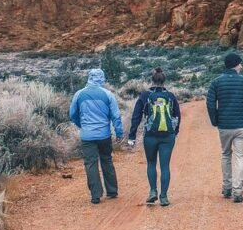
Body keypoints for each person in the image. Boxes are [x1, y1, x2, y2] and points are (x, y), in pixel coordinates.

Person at [206, 52, 243, 203]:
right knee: (240, 156)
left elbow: (210, 103)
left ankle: (227, 187)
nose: (241, 66)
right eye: (240, 63)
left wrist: (215, 120)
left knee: (226, 154)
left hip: (224, 126)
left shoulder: (216, 82)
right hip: (241, 125)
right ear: (235, 64)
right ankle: (238, 191)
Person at [69, 68, 124, 204]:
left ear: (89, 77)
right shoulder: (108, 94)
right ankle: (112, 191)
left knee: (91, 164)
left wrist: (83, 125)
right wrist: (119, 133)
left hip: (87, 136)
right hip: (104, 135)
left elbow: (72, 114)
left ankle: (95, 195)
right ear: (102, 78)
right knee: (107, 160)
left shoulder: (79, 94)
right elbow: (116, 116)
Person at [127, 67, 181, 206]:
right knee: (165, 166)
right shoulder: (170, 96)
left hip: (150, 135)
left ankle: (152, 191)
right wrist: (175, 132)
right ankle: (163, 197)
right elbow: (177, 115)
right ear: (164, 80)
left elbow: (136, 117)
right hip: (167, 136)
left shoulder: (145, 96)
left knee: (151, 163)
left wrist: (132, 136)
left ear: (152, 80)